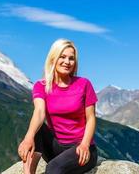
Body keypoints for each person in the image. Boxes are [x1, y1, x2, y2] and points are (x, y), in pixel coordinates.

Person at [18, 39, 98, 174]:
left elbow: (91, 118)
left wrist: (85, 144)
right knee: (37, 129)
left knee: (53, 169)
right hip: (56, 147)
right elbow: (39, 112)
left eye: (71, 58)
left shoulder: (84, 84)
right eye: (62, 56)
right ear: (53, 58)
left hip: (81, 148)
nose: (67, 62)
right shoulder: (41, 86)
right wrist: (28, 138)